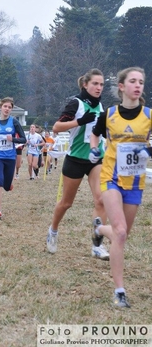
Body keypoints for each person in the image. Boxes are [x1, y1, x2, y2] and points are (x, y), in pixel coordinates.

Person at [89, 66, 152, 308]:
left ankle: (98, 230)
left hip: (135, 183)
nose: (138, 85)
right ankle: (119, 291)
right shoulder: (110, 114)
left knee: (120, 235)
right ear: (122, 87)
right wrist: (95, 149)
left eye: (141, 82)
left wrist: (144, 150)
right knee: (121, 232)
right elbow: (95, 134)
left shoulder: (148, 115)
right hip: (111, 178)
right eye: (133, 81)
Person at [46, 68, 109, 260]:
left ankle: (97, 244)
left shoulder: (100, 107)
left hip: (96, 158)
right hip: (75, 158)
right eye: (95, 84)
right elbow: (57, 127)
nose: (99, 88)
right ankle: (53, 231)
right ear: (85, 85)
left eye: (102, 85)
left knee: (101, 200)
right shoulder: (76, 103)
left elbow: (101, 132)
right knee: (66, 203)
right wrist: (79, 121)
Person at [0, 97, 26, 220]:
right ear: (0, 107)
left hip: (10, 157)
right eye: (5, 106)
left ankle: (9, 185)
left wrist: (13, 139)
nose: (7, 109)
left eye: (9, 107)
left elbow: (24, 139)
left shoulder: (14, 122)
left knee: (6, 185)